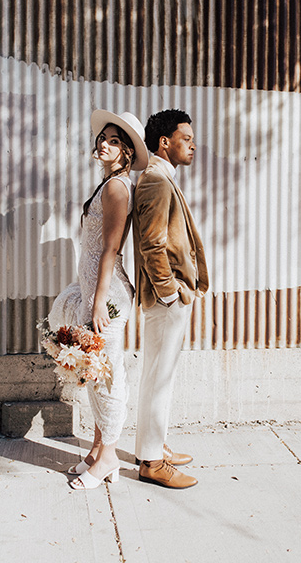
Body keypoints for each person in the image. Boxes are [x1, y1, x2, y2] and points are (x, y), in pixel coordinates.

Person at [48, 110, 148, 490]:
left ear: (125, 153)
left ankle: (109, 457)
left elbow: (111, 249)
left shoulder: (117, 188)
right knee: (93, 371)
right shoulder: (108, 185)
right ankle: (96, 450)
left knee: (107, 375)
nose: (103, 144)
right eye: (102, 138)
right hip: (94, 290)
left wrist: (97, 302)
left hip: (107, 296)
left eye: (113, 141)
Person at [133, 109, 209, 489]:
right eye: (186, 138)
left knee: (157, 376)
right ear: (165, 142)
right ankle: (150, 462)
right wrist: (169, 293)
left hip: (168, 298)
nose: (193, 144)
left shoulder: (160, 178)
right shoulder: (157, 182)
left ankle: (154, 447)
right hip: (167, 299)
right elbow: (151, 244)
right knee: (159, 377)